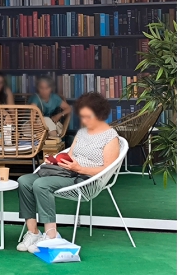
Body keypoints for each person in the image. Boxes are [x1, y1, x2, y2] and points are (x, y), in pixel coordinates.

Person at [17, 92, 119, 252]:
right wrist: (56, 161)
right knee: (24, 181)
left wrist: (79, 168)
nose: (84, 121)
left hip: (86, 178)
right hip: (68, 172)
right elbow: (70, 156)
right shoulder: (82, 132)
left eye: (88, 117)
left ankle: (51, 236)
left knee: (41, 184)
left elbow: (107, 169)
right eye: (82, 116)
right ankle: (33, 233)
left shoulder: (111, 137)